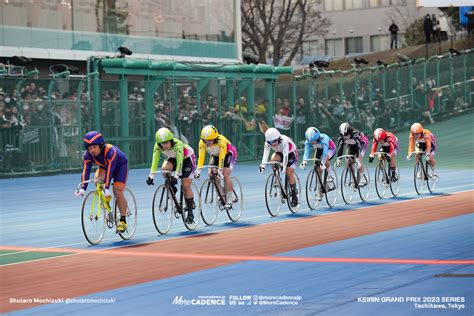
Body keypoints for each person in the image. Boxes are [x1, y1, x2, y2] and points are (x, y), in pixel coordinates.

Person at [75, 131, 129, 232]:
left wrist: (107, 187)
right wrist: (83, 188)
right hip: (105, 167)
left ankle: (123, 220)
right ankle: (106, 198)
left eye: (94, 147)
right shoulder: (87, 156)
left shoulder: (110, 151)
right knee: (97, 181)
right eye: (89, 148)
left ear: (101, 145)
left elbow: (111, 170)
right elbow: (85, 171)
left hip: (120, 166)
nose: (92, 150)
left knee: (117, 191)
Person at [146, 127, 196, 224]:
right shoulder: (157, 146)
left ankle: (190, 212)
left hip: (187, 159)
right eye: (162, 143)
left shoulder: (178, 145)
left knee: (186, 185)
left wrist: (176, 175)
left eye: (166, 143)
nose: (164, 146)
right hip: (173, 158)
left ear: (171, 140)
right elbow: (154, 162)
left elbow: (180, 162)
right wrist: (151, 176)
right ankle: (172, 187)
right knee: (164, 168)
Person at [195, 125, 237, 208]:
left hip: (228, 154)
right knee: (211, 174)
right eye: (206, 140)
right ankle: (221, 194)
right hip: (215, 155)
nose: (208, 142)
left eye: (210, 140)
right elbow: (201, 157)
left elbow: (222, 157)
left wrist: (220, 170)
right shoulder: (202, 142)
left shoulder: (221, 141)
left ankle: (230, 196)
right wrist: (198, 170)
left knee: (225, 174)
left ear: (215, 137)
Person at [259, 127, 299, 207]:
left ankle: (294, 195)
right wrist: (263, 166)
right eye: (270, 142)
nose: (272, 144)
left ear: (278, 138)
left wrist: (284, 167)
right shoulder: (267, 143)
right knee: (273, 160)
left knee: (288, 171)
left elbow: (286, 156)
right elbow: (265, 155)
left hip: (291, 153)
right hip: (280, 153)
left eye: (274, 141)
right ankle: (277, 179)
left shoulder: (284, 141)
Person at [300, 127, 337, 199]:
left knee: (325, 160)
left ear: (317, 137)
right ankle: (319, 190)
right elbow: (306, 151)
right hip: (319, 150)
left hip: (330, 149)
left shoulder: (324, 139)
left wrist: (323, 162)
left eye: (313, 141)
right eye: (310, 141)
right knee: (318, 169)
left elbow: (325, 152)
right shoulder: (308, 141)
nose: (311, 143)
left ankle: (331, 175)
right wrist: (304, 162)